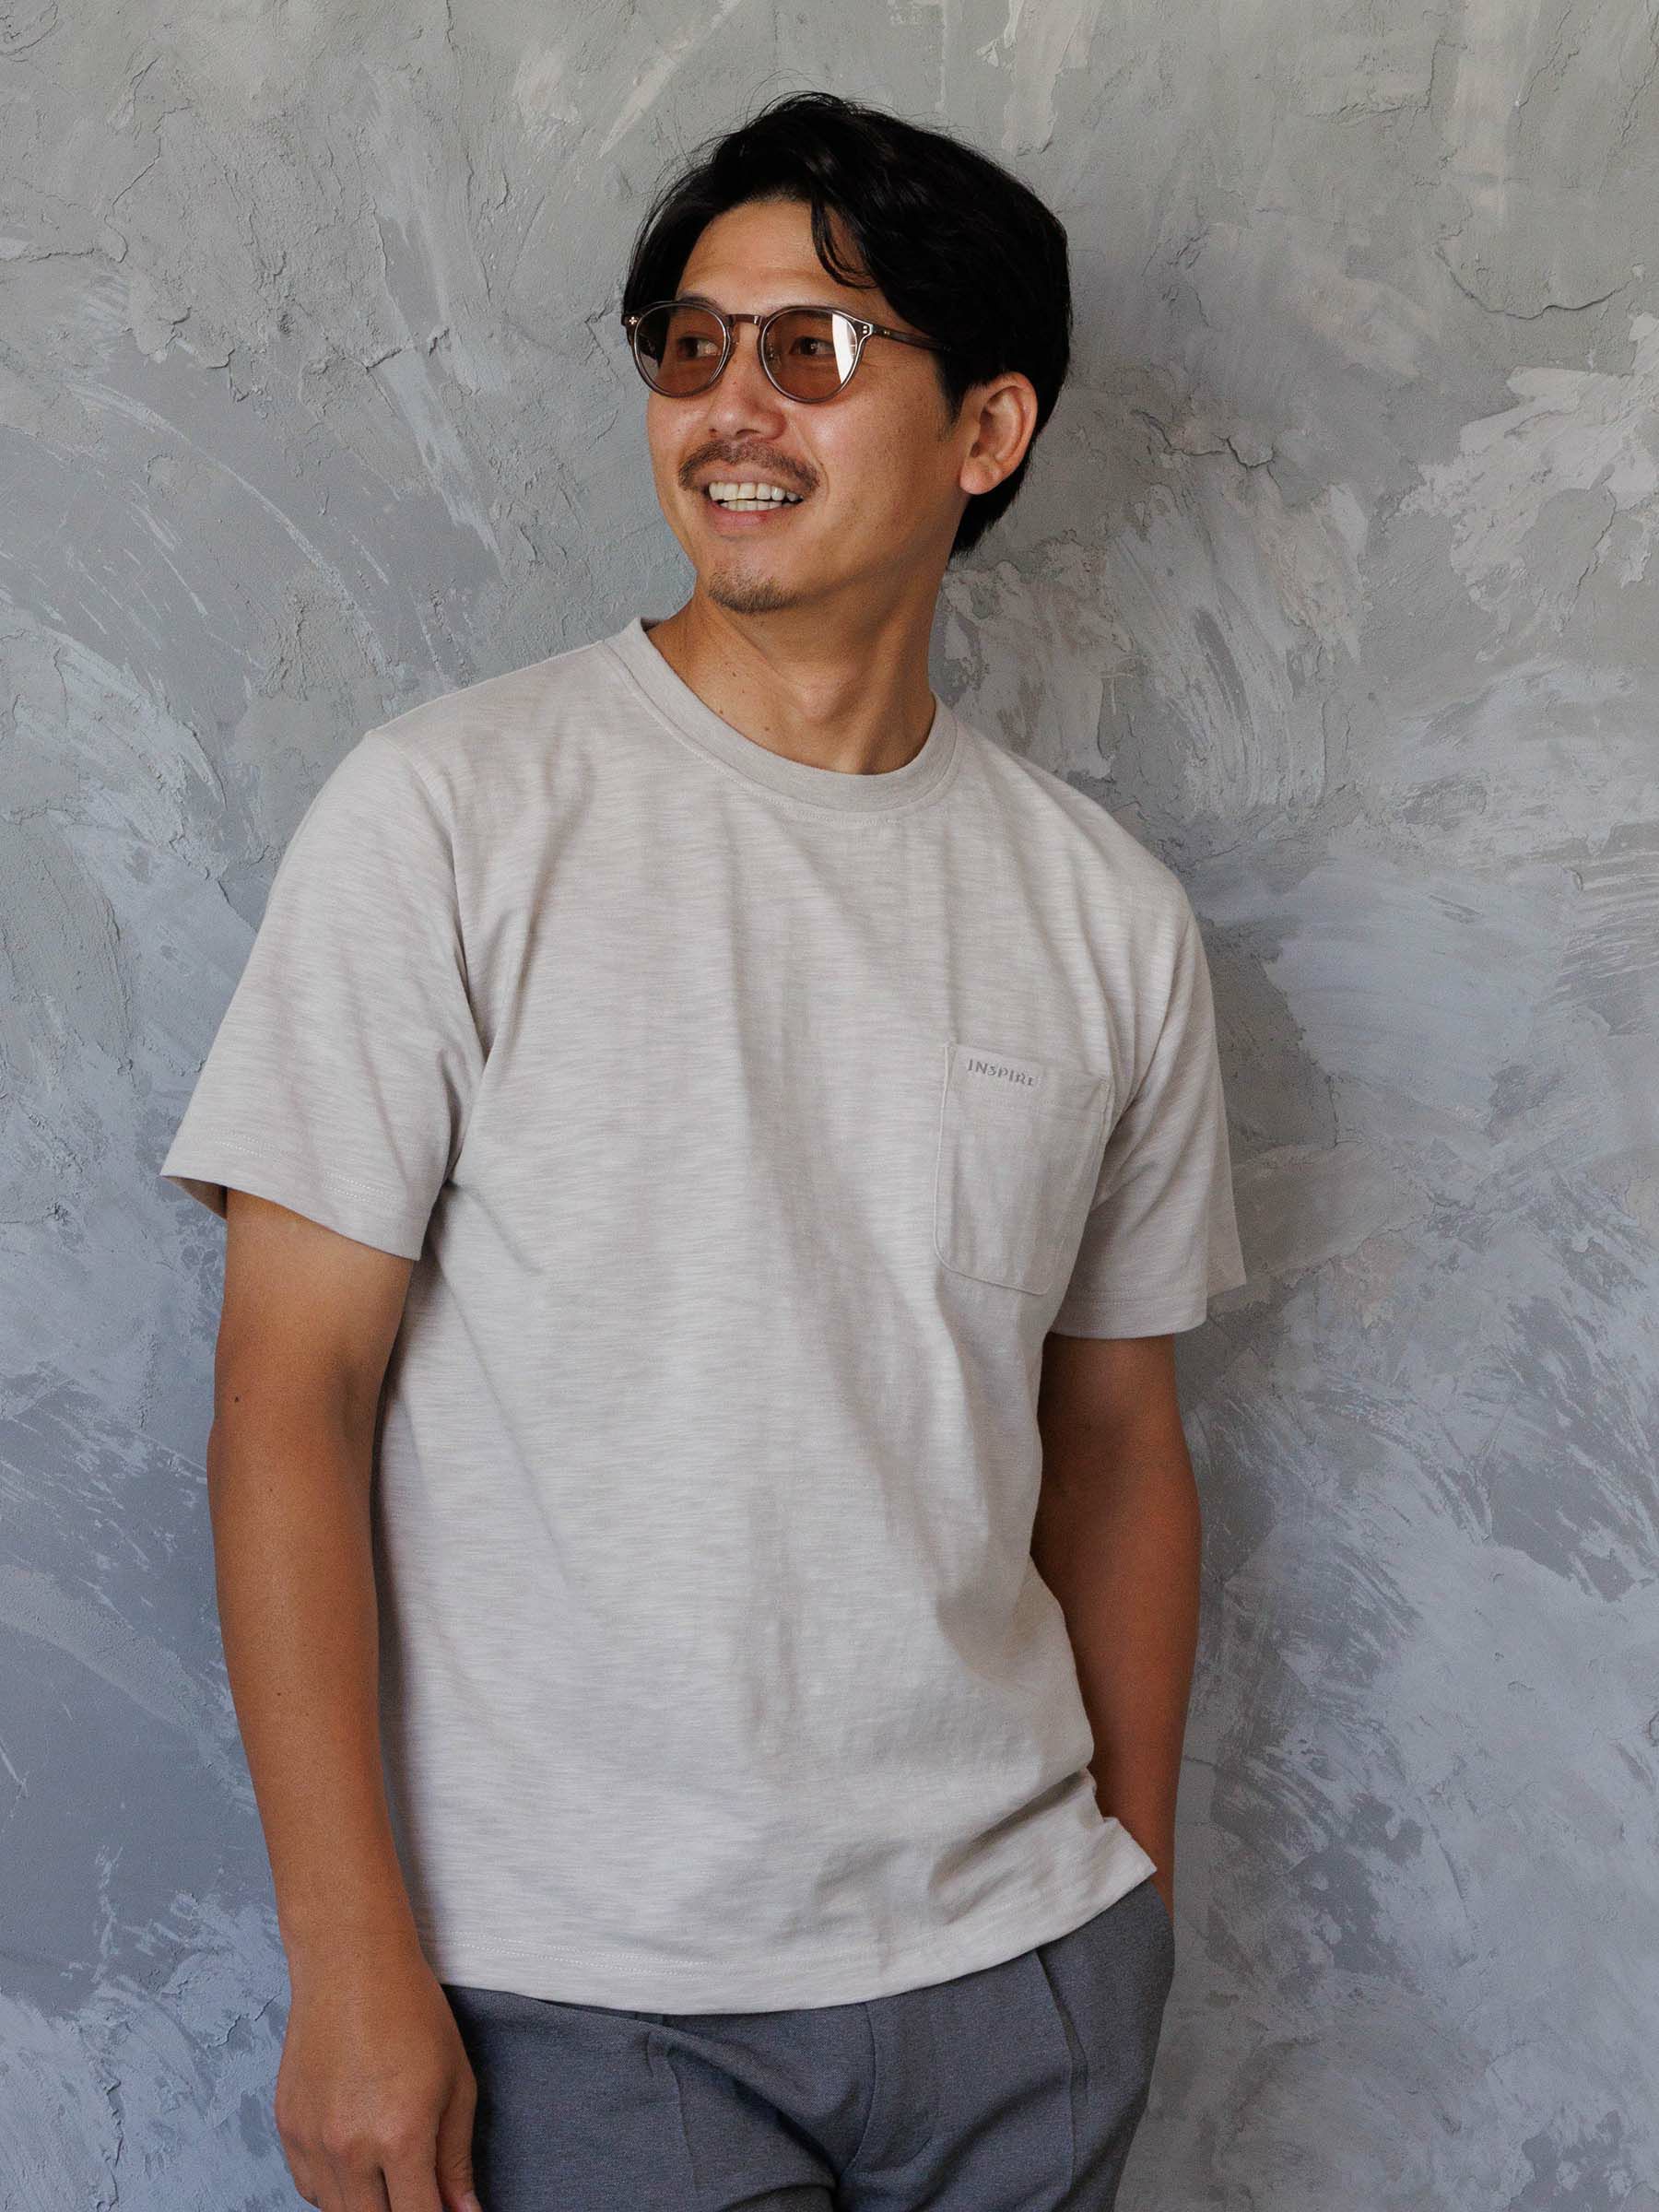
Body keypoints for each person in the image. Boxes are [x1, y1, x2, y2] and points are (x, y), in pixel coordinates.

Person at [159, 87, 1247, 2212]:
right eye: (690, 344)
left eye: (811, 349)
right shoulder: (450, 815)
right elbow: (290, 1393)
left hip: (1018, 1988)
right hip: (582, 1999)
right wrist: (348, 1960)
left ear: (988, 429)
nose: (730, 406)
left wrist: (1127, 1902)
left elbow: (1120, 1440)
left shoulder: (1107, 914)